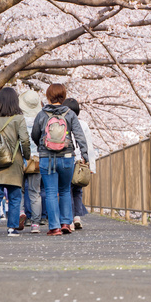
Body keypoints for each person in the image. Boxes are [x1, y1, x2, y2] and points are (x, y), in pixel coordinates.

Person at [31, 83, 87, 235]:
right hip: (67, 157)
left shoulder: (42, 114)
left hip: (47, 157)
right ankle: (66, 224)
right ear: (63, 96)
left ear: (48, 96)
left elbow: (34, 135)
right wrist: (85, 155)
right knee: (64, 190)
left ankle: (54, 227)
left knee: (50, 191)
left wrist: (42, 146)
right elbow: (80, 136)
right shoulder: (70, 114)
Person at [0, 86, 31, 237]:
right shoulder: (18, 119)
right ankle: (12, 228)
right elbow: (25, 140)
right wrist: (26, 156)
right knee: (15, 195)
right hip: (13, 162)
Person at [63, 98, 96, 231]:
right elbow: (88, 145)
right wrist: (90, 164)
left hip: (68, 159)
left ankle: (69, 219)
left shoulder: (62, 122)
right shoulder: (83, 124)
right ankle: (77, 217)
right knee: (78, 190)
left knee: (67, 189)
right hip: (80, 161)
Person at [19, 89, 44, 233]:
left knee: (20, 190)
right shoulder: (41, 119)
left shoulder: (18, 119)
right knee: (35, 192)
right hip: (37, 159)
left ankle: (21, 212)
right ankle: (35, 223)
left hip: (21, 158)